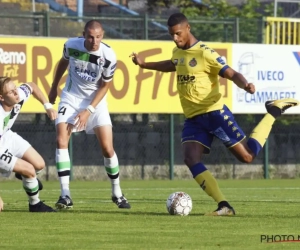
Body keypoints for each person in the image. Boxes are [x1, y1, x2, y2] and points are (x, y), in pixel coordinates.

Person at [130, 13, 299, 216]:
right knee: (190, 158)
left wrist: (245, 85)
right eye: (171, 35)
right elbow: (172, 64)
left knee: (247, 157)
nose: (175, 38)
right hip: (194, 119)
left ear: (188, 28)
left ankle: (273, 111)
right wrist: (144, 64)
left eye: (178, 34)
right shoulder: (178, 51)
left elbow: (231, 73)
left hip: (214, 114)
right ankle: (224, 205)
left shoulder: (205, 53)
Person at [48, 20, 130, 210]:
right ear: (84, 34)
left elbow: (105, 86)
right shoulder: (71, 45)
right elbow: (63, 62)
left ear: (103, 36)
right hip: (70, 98)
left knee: (108, 149)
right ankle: (65, 194)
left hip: (96, 103)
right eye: (90, 36)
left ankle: (117, 192)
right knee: (61, 140)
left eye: (98, 37)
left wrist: (89, 111)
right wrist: (54, 87)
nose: (94, 41)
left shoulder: (108, 56)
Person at [0, 76, 57, 212]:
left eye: (15, 89)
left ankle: (24, 175)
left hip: (6, 135)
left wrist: (47, 106)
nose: (16, 93)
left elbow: (32, 86)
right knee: (30, 170)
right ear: (1, 98)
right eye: (11, 92)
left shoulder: (18, 96)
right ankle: (35, 204)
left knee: (39, 165)